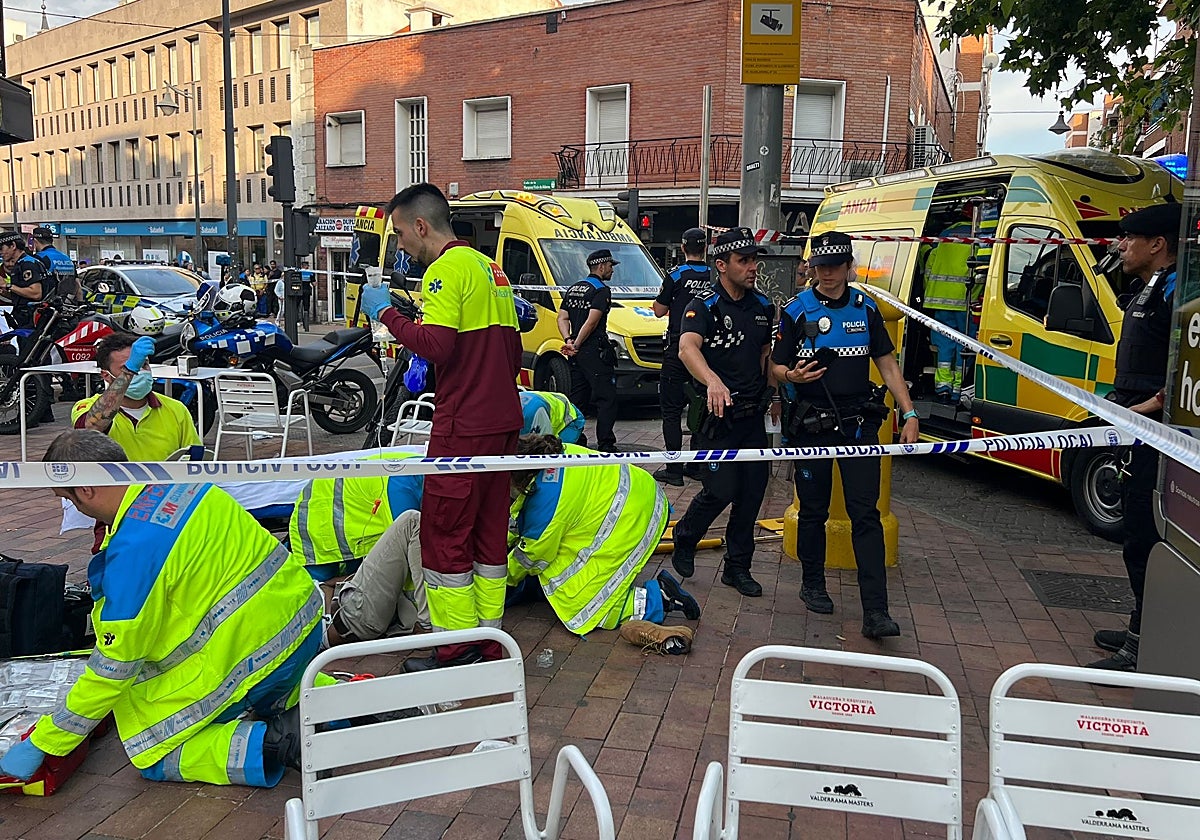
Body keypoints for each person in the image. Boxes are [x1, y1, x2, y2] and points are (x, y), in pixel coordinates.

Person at [0, 430, 323, 787]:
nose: (75, 510)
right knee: (278, 686)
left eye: (68, 499)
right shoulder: (182, 485)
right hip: (302, 623)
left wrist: (46, 741)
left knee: (155, 753)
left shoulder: (135, 554)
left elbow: (114, 667)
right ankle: (339, 699)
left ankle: (275, 743)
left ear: (87, 489)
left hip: (262, 655)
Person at [359, 182, 523, 671]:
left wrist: (384, 311)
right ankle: (490, 639)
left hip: (462, 425)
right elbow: (508, 351)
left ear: (421, 226)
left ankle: (456, 648)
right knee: (490, 533)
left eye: (401, 234)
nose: (401, 245)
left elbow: (438, 346)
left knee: (445, 534)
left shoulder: (444, 270)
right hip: (501, 421)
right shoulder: (491, 270)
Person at [771, 231, 919, 639]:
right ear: (812, 268)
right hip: (811, 424)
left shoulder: (865, 307)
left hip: (857, 425)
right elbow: (774, 368)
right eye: (821, 266)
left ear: (849, 266)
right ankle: (812, 583)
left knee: (865, 514)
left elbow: (887, 364)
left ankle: (876, 611)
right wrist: (792, 375)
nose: (828, 273)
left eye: (835, 266)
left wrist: (909, 412)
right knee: (814, 511)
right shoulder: (796, 310)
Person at [1088, 202, 1181, 671]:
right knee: (1133, 536)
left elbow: (1182, 366)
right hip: (1135, 429)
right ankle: (1137, 626)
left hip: (1155, 434)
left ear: (1157, 244)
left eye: (1129, 238)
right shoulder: (1150, 288)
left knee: (1145, 536)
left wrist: (1143, 409)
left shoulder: (1175, 291)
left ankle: (1142, 645)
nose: (1121, 246)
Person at [508, 435, 698, 653]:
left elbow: (532, 556)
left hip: (633, 519)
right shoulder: (551, 452)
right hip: (642, 497)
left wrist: (501, 577)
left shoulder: (545, 503)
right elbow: (522, 522)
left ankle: (658, 599)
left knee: (588, 607)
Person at [670, 227, 776, 598]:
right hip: (717, 418)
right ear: (721, 265)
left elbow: (765, 356)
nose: (752, 268)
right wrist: (713, 380)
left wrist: (775, 392)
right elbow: (687, 348)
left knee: (752, 493)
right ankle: (686, 535)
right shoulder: (705, 305)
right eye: (744, 261)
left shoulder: (763, 307)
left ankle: (737, 567)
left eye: (754, 260)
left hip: (751, 415)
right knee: (721, 489)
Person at [652, 228, 714, 485]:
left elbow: (658, 310)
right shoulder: (714, 275)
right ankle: (697, 465)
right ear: (706, 247)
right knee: (702, 407)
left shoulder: (675, 275)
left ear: (682, 246)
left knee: (671, 411)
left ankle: (674, 470)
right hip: (706, 351)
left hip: (678, 348)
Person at [558, 249, 618, 452]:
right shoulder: (601, 290)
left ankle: (574, 440)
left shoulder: (575, 288)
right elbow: (591, 323)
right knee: (606, 399)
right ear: (601, 267)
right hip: (593, 351)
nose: (612, 270)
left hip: (576, 353)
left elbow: (562, 317)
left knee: (577, 399)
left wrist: (569, 339)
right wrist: (577, 343)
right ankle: (605, 444)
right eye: (610, 266)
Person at [0, 230, 49, 330]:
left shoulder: (28, 263)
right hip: (22, 317)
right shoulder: (20, 264)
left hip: (32, 318)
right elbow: (22, 294)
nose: (0, 253)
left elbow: (36, 293)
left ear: (13, 246)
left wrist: (8, 285)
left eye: (1, 248)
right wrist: (5, 292)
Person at [31, 226, 79, 301]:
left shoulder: (39, 258)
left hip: (47, 306)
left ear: (35, 241)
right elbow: (77, 287)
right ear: (51, 241)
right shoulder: (67, 258)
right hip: (67, 306)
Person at [519, 389, 585, 443]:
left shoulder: (533, 412)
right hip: (548, 410)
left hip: (569, 420)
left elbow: (545, 444)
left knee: (559, 452)